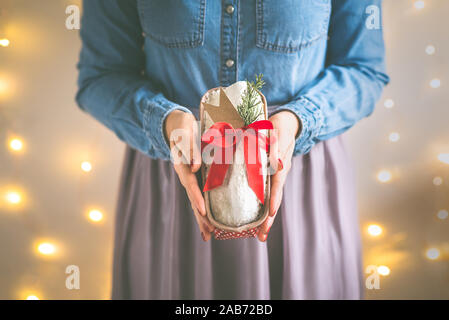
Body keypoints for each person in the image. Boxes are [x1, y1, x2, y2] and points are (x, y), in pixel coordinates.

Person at [76, 0, 389, 299]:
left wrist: (299, 119)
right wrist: (164, 121)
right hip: (175, 179)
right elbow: (100, 77)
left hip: (297, 182)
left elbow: (363, 69)